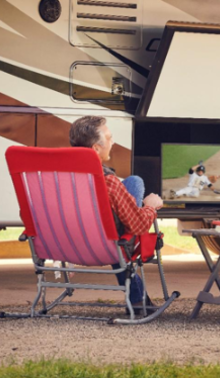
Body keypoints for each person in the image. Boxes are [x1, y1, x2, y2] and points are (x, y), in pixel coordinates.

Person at [69, 115, 162, 312]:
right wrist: (150, 207)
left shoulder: (58, 178)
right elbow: (138, 226)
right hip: (105, 246)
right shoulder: (108, 182)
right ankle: (137, 299)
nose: (113, 142)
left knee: (133, 182)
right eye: (109, 138)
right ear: (95, 148)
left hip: (67, 244)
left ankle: (137, 298)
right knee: (136, 184)